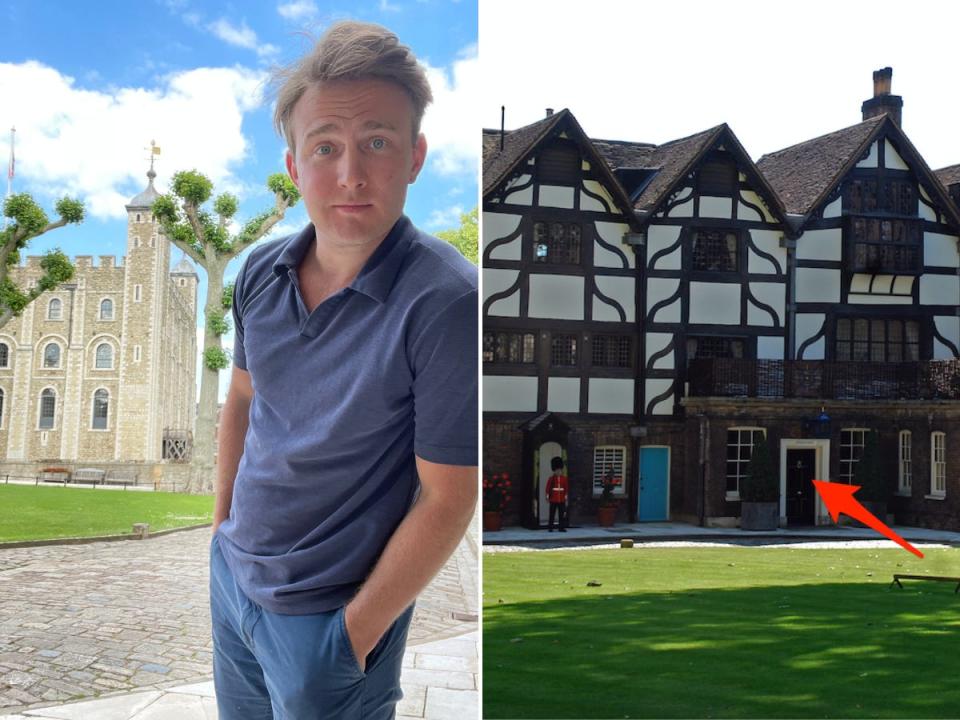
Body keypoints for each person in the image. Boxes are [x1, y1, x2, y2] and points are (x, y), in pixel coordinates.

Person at [208, 20, 478, 720]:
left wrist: (352, 638)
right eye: (325, 146)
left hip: (330, 622)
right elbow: (241, 401)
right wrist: (220, 532)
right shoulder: (259, 274)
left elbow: (448, 498)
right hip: (234, 584)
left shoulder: (448, 301)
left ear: (416, 155)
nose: (351, 174)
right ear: (295, 165)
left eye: (377, 143)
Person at [545, 456, 568, 532]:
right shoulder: (551, 479)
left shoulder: (564, 479)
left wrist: (566, 496)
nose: (558, 472)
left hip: (561, 499)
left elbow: (566, 488)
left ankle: (561, 527)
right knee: (552, 514)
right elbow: (548, 488)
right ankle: (550, 527)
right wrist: (547, 497)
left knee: (561, 515)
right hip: (553, 499)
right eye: (557, 470)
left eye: (559, 470)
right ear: (554, 470)